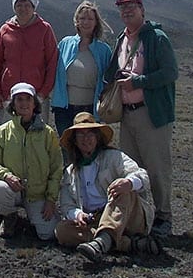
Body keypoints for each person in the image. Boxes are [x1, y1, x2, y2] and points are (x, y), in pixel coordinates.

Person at [104, 0, 178, 238]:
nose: (127, 12)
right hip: (128, 114)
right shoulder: (122, 39)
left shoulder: (157, 38)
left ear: (142, 10)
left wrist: (139, 81)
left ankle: (163, 217)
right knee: (132, 168)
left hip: (151, 114)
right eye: (123, 8)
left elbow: (170, 73)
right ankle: (139, 215)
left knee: (156, 167)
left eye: (131, 7)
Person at [55, 112, 160, 261]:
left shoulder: (114, 157)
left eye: (90, 133)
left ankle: (101, 242)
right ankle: (127, 244)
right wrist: (78, 214)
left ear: (97, 137)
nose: (86, 139)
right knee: (62, 230)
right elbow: (66, 204)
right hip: (94, 219)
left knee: (122, 190)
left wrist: (129, 183)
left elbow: (142, 175)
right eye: (81, 135)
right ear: (75, 141)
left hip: (128, 215)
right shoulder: (70, 171)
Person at [0, 82, 62, 240]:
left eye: (28, 99)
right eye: (19, 99)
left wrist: (51, 199)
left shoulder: (48, 134)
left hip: (38, 194)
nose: (24, 103)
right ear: (13, 104)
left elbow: (56, 168)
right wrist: (6, 176)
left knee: (48, 234)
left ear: (35, 103)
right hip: (13, 190)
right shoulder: (1, 133)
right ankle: (10, 217)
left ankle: (33, 216)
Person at [0, 0, 58, 122]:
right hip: (9, 96)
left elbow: (52, 62)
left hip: (36, 97)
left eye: (27, 5)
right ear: (14, 7)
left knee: (36, 137)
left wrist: (43, 92)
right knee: (9, 138)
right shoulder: (5, 30)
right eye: (19, 5)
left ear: (34, 7)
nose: (23, 8)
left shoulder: (44, 29)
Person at [51, 0, 112, 151]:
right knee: (67, 149)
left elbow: (108, 82)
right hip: (65, 108)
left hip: (90, 108)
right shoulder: (65, 44)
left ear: (96, 22)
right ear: (76, 21)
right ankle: (69, 175)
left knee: (89, 151)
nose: (86, 22)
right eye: (82, 18)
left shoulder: (104, 50)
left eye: (90, 19)